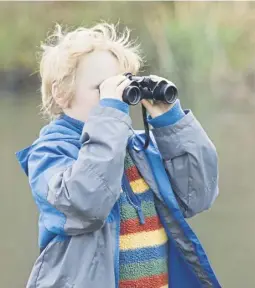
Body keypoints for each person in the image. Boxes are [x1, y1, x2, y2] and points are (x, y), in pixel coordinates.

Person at [16, 23, 221, 288]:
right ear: (61, 93)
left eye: (122, 87)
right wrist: (110, 113)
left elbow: (199, 194)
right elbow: (85, 204)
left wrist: (171, 123)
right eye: (102, 89)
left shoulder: (138, 148)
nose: (116, 99)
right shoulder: (50, 151)